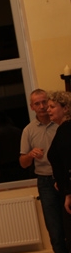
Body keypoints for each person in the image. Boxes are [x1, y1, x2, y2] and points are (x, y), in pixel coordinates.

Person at [20, 89, 71, 253]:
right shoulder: (29, 130)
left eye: (46, 103)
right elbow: (23, 163)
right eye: (38, 104)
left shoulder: (62, 124)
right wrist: (30, 155)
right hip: (46, 184)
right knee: (56, 236)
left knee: (70, 233)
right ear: (32, 107)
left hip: (65, 183)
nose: (43, 107)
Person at [47, 91, 71, 221]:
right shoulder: (62, 129)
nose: (48, 110)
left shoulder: (66, 130)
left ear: (65, 108)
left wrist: (68, 193)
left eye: (52, 107)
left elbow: (68, 163)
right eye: (48, 107)